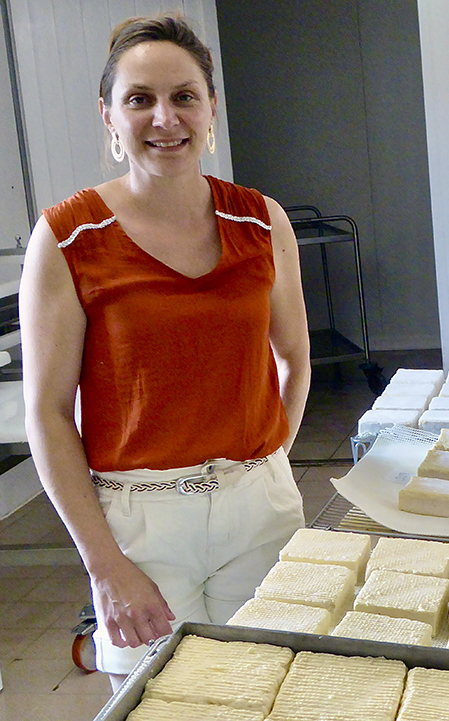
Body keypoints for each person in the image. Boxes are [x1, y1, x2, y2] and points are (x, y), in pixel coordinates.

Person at [19, 15, 311, 688]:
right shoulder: (69, 237)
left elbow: (294, 360)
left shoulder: (260, 222)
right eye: (139, 98)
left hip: (260, 510)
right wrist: (103, 564)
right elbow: (50, 414)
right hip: (139, 525)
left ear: (211, 109)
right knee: (165, 700)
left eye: (183, 96)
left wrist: (266, 465)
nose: (164, 118)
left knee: (273, 691)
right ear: (109, 116)